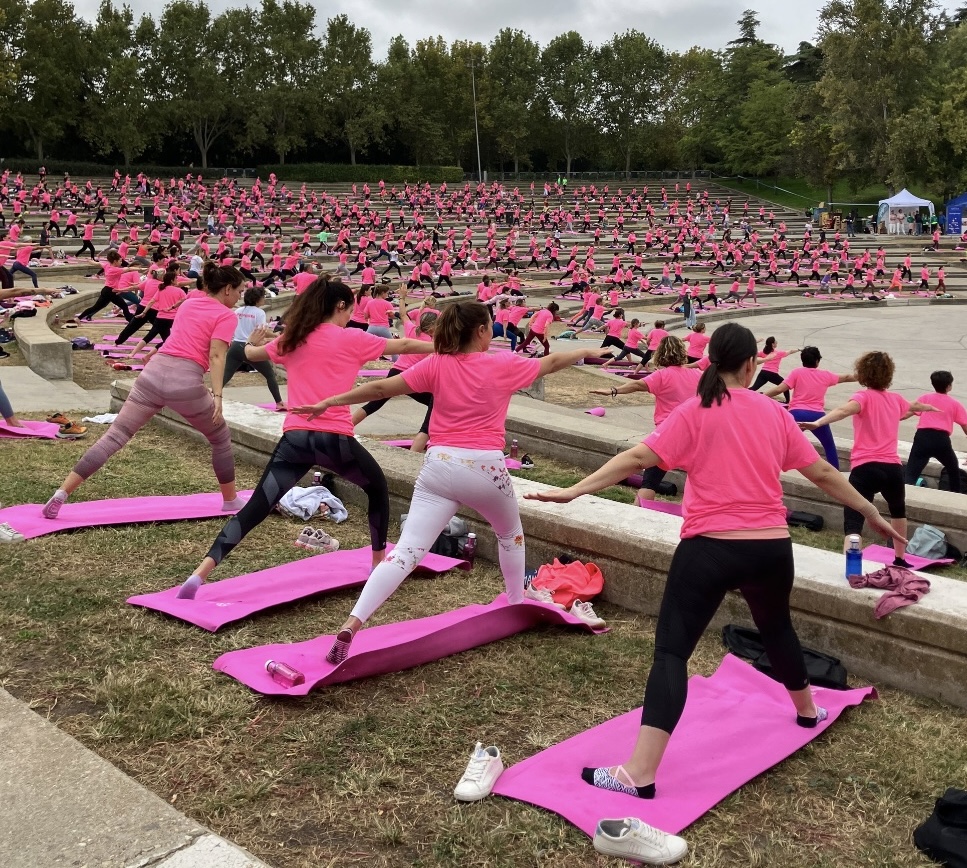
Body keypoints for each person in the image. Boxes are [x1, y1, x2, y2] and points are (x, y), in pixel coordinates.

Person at [525, 322, 905, 800]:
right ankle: (807, 710)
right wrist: (872, 511)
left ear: (712, 363)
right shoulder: (771, 411)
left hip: (710, 547)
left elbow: (635, 457)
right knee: (777, 627)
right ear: (751, 366)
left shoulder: (695, 410)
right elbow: (824, 472)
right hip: (770, 548)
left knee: (671, 653)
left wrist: (573, 490)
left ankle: (640, 774)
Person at [291, 301, 608, 664]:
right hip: (485, 468)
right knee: (510, 534)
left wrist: (330, 401)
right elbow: (549, 363)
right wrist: (584, 350)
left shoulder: (437, 364)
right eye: (490, 325)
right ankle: (515, 601)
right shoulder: (502, 363)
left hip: (438, 467)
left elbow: (380, 389)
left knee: (405, 553)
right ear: (481, 332)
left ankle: (352, 623)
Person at [175, 275, 430, 600]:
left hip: (295, 440)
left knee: (255, 507)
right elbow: (405, 345)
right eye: (348, 310)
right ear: (339, 307)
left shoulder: (292, 339)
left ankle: (201, 573)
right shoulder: (351, 338)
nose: (349, 317)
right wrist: (444, 346)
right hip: (335, 440)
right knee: (377, 489)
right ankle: (378, 563)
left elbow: (249, 354)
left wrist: (253, 342)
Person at [42, 262, 248, 520]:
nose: (240, 296)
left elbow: (181, 338)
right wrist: (218, 396)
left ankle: (62, 492)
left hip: (151, 376)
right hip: (185, 382)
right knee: (219, 438)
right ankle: (230, 500)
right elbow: (217, 355)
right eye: (239, 291)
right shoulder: (226, 315)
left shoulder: (189, 303)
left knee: (114, 436)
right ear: (227, 289)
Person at [800, 351, 936, 566]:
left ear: (863, 373)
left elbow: (844, 410)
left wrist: (819, 423)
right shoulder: (896, 399)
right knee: (898, 511)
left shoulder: (862, 397)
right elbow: (913, 406)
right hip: (892, 469)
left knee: (854, 519)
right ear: (888, 374)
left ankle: (851, 564)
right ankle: (900, 558)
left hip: (865, 468)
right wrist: (928, 407)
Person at [591, 336, 700, 505]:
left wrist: (613, 390)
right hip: (694, 435)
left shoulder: (662, 375)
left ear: (661, 354)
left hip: (667, 436)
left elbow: (636, 385)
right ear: (682, 353)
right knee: (694, 480)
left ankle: (636, 518)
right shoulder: (698, 375)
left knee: (650, 482)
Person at [352, 286, 436, 453]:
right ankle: (415, 450)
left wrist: (403, 297)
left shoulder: (412, 330)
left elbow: (403, 314)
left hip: (395, 371)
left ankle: (345, 425)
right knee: (435, 405)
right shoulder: (430, 343)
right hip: (410, 378)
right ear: (433, 327)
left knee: (374, 404)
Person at [762, 346, 855, 469]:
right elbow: (847, 377)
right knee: (829, 446)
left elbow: (780, 389)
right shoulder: (825, 375)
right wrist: (868, 377)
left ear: (802, 360)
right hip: (817, 416)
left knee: (782, 443)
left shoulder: (797, 372)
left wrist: (762, 396)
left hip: (796, 414)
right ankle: (835, 474)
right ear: (817, 361)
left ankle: (768, 468)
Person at [902, 370, 967, 493]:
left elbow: (904, 415)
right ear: (949, 386)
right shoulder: (955, 404)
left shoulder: (925, 398)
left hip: (922, 437)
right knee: (953, 469)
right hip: (941, 440)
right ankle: (956, 496)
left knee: (911, 472)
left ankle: (905, 497)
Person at [222, 286, 285, 410]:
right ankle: (279, 402)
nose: (264, 299)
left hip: (235, 346)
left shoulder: (238, 310)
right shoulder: (259, 312)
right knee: (270, 375)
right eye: (262, 297)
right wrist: (275, 335)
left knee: (226, 375)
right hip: (249, 347)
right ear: (257, 299)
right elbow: (262, 330)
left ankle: (213, 395)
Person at [750, 337, 797, 403]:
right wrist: (799, 349)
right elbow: (790, 351)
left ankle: (741, 394)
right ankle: (787, 402)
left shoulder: (764, 352)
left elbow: (753, 354)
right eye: (775, 342)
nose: (777, 342)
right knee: (784, 386)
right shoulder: (778, 353)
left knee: (754, 388)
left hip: (763, 373)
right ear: (773, 344)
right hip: (772, 374)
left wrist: (755, 342)